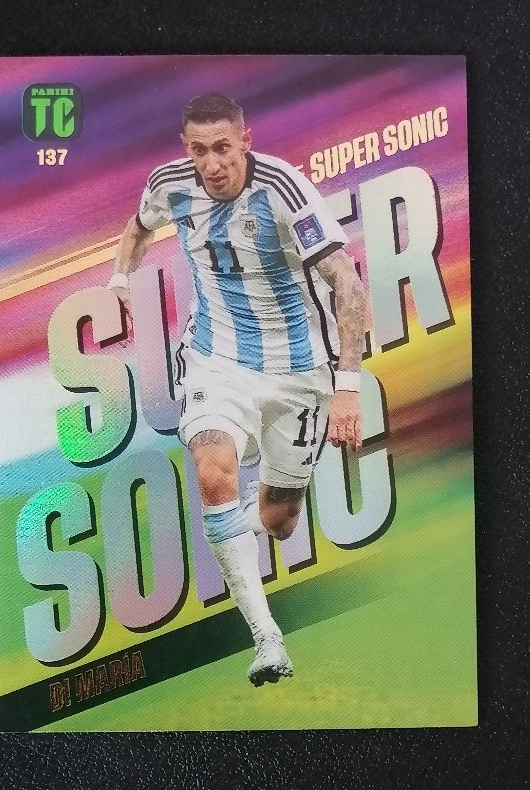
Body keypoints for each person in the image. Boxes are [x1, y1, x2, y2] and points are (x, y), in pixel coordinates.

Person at [108, 93, 366, 686]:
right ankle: (267, 640)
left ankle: (250, 509)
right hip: (216, 360)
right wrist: (121, 278)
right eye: (199, 150)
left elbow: (346, 285)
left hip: (298, 370)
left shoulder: (282, 189)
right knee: (212, 471)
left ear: (245, 141)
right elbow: (138, 228)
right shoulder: (171, 185)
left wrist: (347, 389)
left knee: (279, 520)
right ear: (186, 149)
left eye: (223, 147)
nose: (212, 163)